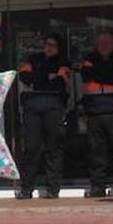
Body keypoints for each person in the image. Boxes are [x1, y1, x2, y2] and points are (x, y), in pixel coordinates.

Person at [80, 31, 113, 198]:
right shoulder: (89, 59)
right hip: (94, 112)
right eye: (100, 42)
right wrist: (104, 72)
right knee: (97, 152)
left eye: (107, 42)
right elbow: (87, 75)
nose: (103, 46)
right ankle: (98, 187)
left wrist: (100, 73)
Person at [16, 33, 71, 200]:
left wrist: (40, 78)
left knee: (53, 148)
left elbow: (60, 83)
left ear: (59, 47)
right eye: (47, 44)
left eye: (53, 45)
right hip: (32, 108)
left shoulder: (63, 62)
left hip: (54, 107)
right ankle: (27, 189)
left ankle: (52, 189)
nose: (49, 47)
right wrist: (48, 77)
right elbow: (24, 77)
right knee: (31, 148)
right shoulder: (33, 59)